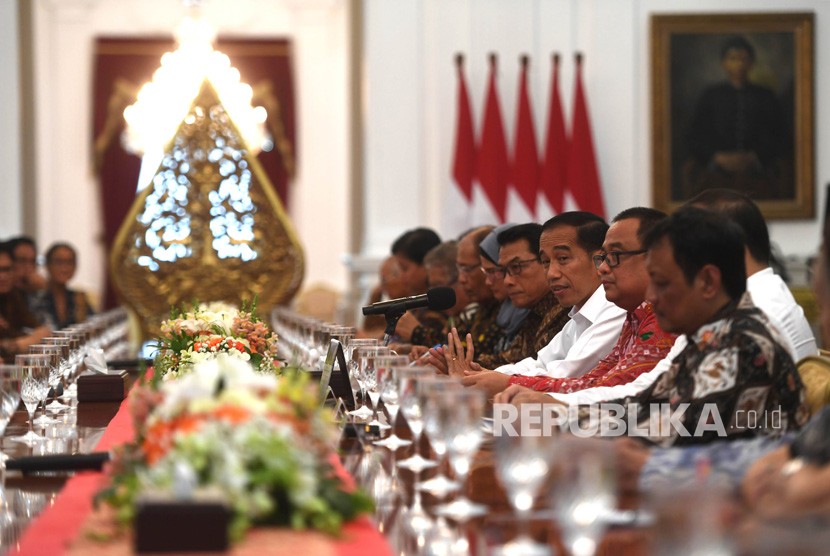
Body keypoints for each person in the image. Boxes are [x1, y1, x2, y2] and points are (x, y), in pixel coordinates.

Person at [577, 207, 805, 448]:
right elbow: (643, 403)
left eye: (662, 283)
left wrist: (558, 424)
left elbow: (669, 435)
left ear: (708, 281)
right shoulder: (709, 334)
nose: (651, 296)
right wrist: (553, 418)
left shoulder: (741, 346)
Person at [494, 208, 676, 403]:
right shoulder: (636, 315)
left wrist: (511, 386)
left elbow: (618, 389)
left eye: (615, 255)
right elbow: (597, 381)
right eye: (546, 262)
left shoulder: (654, 317)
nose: (604, 268)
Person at [444, 212, 627, 398]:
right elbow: (538, 364)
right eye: (546, 262)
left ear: (599, 261)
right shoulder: (579, 313)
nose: (552, 273)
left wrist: (502, 382)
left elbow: (565, 377)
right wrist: (479, 375)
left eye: (563, 258)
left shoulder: (616, 309)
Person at [427, 223, 571, 378]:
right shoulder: (531, 311)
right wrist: (461, 367)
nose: (507, 281)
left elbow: (548, 376)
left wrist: (468, 370)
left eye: (516, 267)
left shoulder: (565, 311)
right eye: (504, 271)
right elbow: (520, 364)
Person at [683, 36, 790, 199]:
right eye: (733, 59)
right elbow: (694, 136)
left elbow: (780, 136)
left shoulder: (765, 96)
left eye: (744, 59)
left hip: (758, 174)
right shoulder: (711, 95)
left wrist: (754, 157)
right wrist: (717, 157)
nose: (739, 64)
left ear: (751, 63)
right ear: (724, 63)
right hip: (716, 174)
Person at [0, 243, 51, 361]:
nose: (3, 276)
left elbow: (45, 332)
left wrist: (14, 345)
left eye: (7, 270)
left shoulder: (12, 295)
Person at [31, 242, 95, 330]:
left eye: (70, 262)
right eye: (59, 262)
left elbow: (93, 325)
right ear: (47, 265)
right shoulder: (35, 297)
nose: (65, 268)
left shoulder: (79, 298)